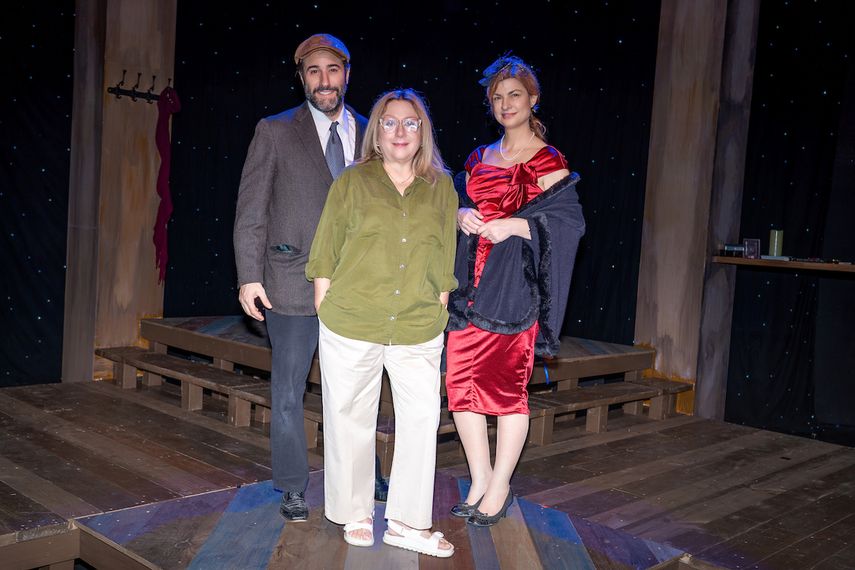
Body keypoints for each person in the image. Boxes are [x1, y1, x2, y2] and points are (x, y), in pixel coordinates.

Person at [306, 89, 457, 557]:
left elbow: (444, 256)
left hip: (416, 323)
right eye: (389, 122)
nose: (399, 131)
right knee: (349, 418)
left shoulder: (442, 187)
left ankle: (408, 522)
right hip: (352, 319)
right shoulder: (352, 181)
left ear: (422, 132)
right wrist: (324, 304)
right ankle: (354, 512)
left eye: (410, 123)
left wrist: (439, 304)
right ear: (376, 131)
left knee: (420, 420)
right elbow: (325, 249)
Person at [445, 55, 586, 527]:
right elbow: (458, 203)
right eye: (498, 97)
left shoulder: (548, 160)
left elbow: (569, 225)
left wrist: (516, 225)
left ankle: (501, 484)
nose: (506, 104)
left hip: (515, 288)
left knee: (506, 391)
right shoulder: (478, 157)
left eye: (515, 95)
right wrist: (460, 215)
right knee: (461, 387)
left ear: (533, 99)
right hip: (470, 286)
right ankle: (481, 478)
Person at [233, 33, 368, 522]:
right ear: (302, 78)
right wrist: (249, 276)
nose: (323, 80)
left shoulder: (375, 132)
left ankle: (361, 474)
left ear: (347, 73)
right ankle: (292, 484)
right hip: (289, 280)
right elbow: (251, 210)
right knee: (289, 391)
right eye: (313, 71)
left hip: (358, 285)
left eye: (332, 69)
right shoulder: (274, 131)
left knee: (355, 390)